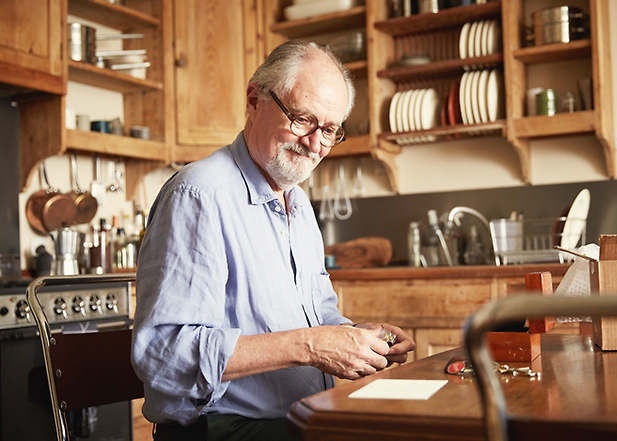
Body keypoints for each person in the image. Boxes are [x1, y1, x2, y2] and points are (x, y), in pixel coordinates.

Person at [131, 40, 416, 441]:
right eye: (302, 119)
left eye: (330, 130)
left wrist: (358, 338)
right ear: (254, 99)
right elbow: (164, 353)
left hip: (298, 420)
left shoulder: (297, 203)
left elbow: (319, 317)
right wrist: (312, 345)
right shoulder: (199, 195)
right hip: (222, 430)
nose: (316, 143)